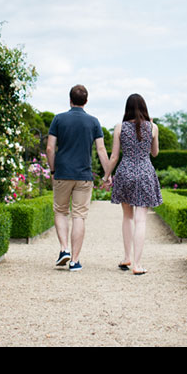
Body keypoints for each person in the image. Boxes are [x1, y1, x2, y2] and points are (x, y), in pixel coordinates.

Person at [46, 84, 111, 272]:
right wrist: (107, 175)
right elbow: (101, 149)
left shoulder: (58, 119)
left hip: (62, 173)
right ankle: (74, 260)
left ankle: (64, 249)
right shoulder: (93, 122)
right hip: (84, 175)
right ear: (86, 101)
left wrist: (52, 170)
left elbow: (50, 148)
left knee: (60, 211)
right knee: (79, 216)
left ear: (70, 99)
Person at [102, 93, 162, 275]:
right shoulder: (153, 127)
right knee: (141, 219)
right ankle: (137, 264)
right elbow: (155, 153)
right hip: (144, 172)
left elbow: (114, 156)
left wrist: (106, 176)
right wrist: (151, 131)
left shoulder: (120, 127)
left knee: (127, 217)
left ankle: (127, 257)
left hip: (125, 171)